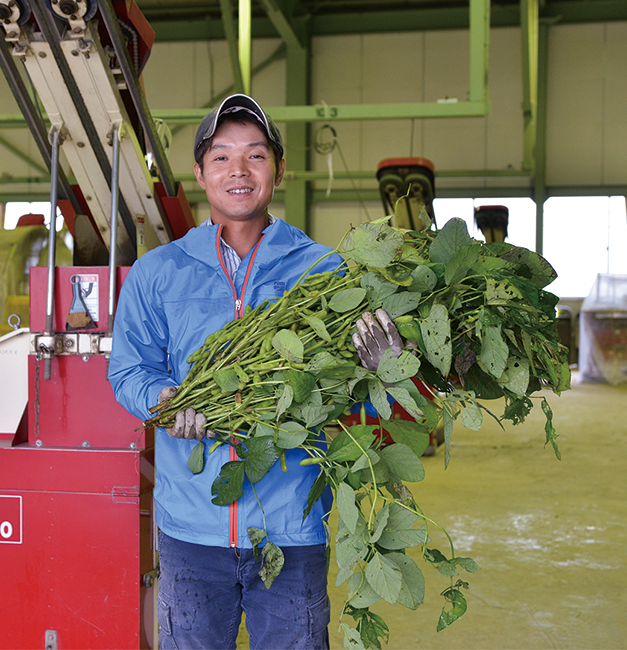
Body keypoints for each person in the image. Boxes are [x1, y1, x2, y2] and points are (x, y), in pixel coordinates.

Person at [108, 94, 406, 649]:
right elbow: (128, 369)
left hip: (291, 525)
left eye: (255, 155)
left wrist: (381, 370)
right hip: (191, 527)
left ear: (279, 168)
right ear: (199, 173)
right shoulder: (157, 273)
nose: (238, 171)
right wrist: (166, 400)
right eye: (221, 157)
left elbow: (346, 396)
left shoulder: (325, 269)